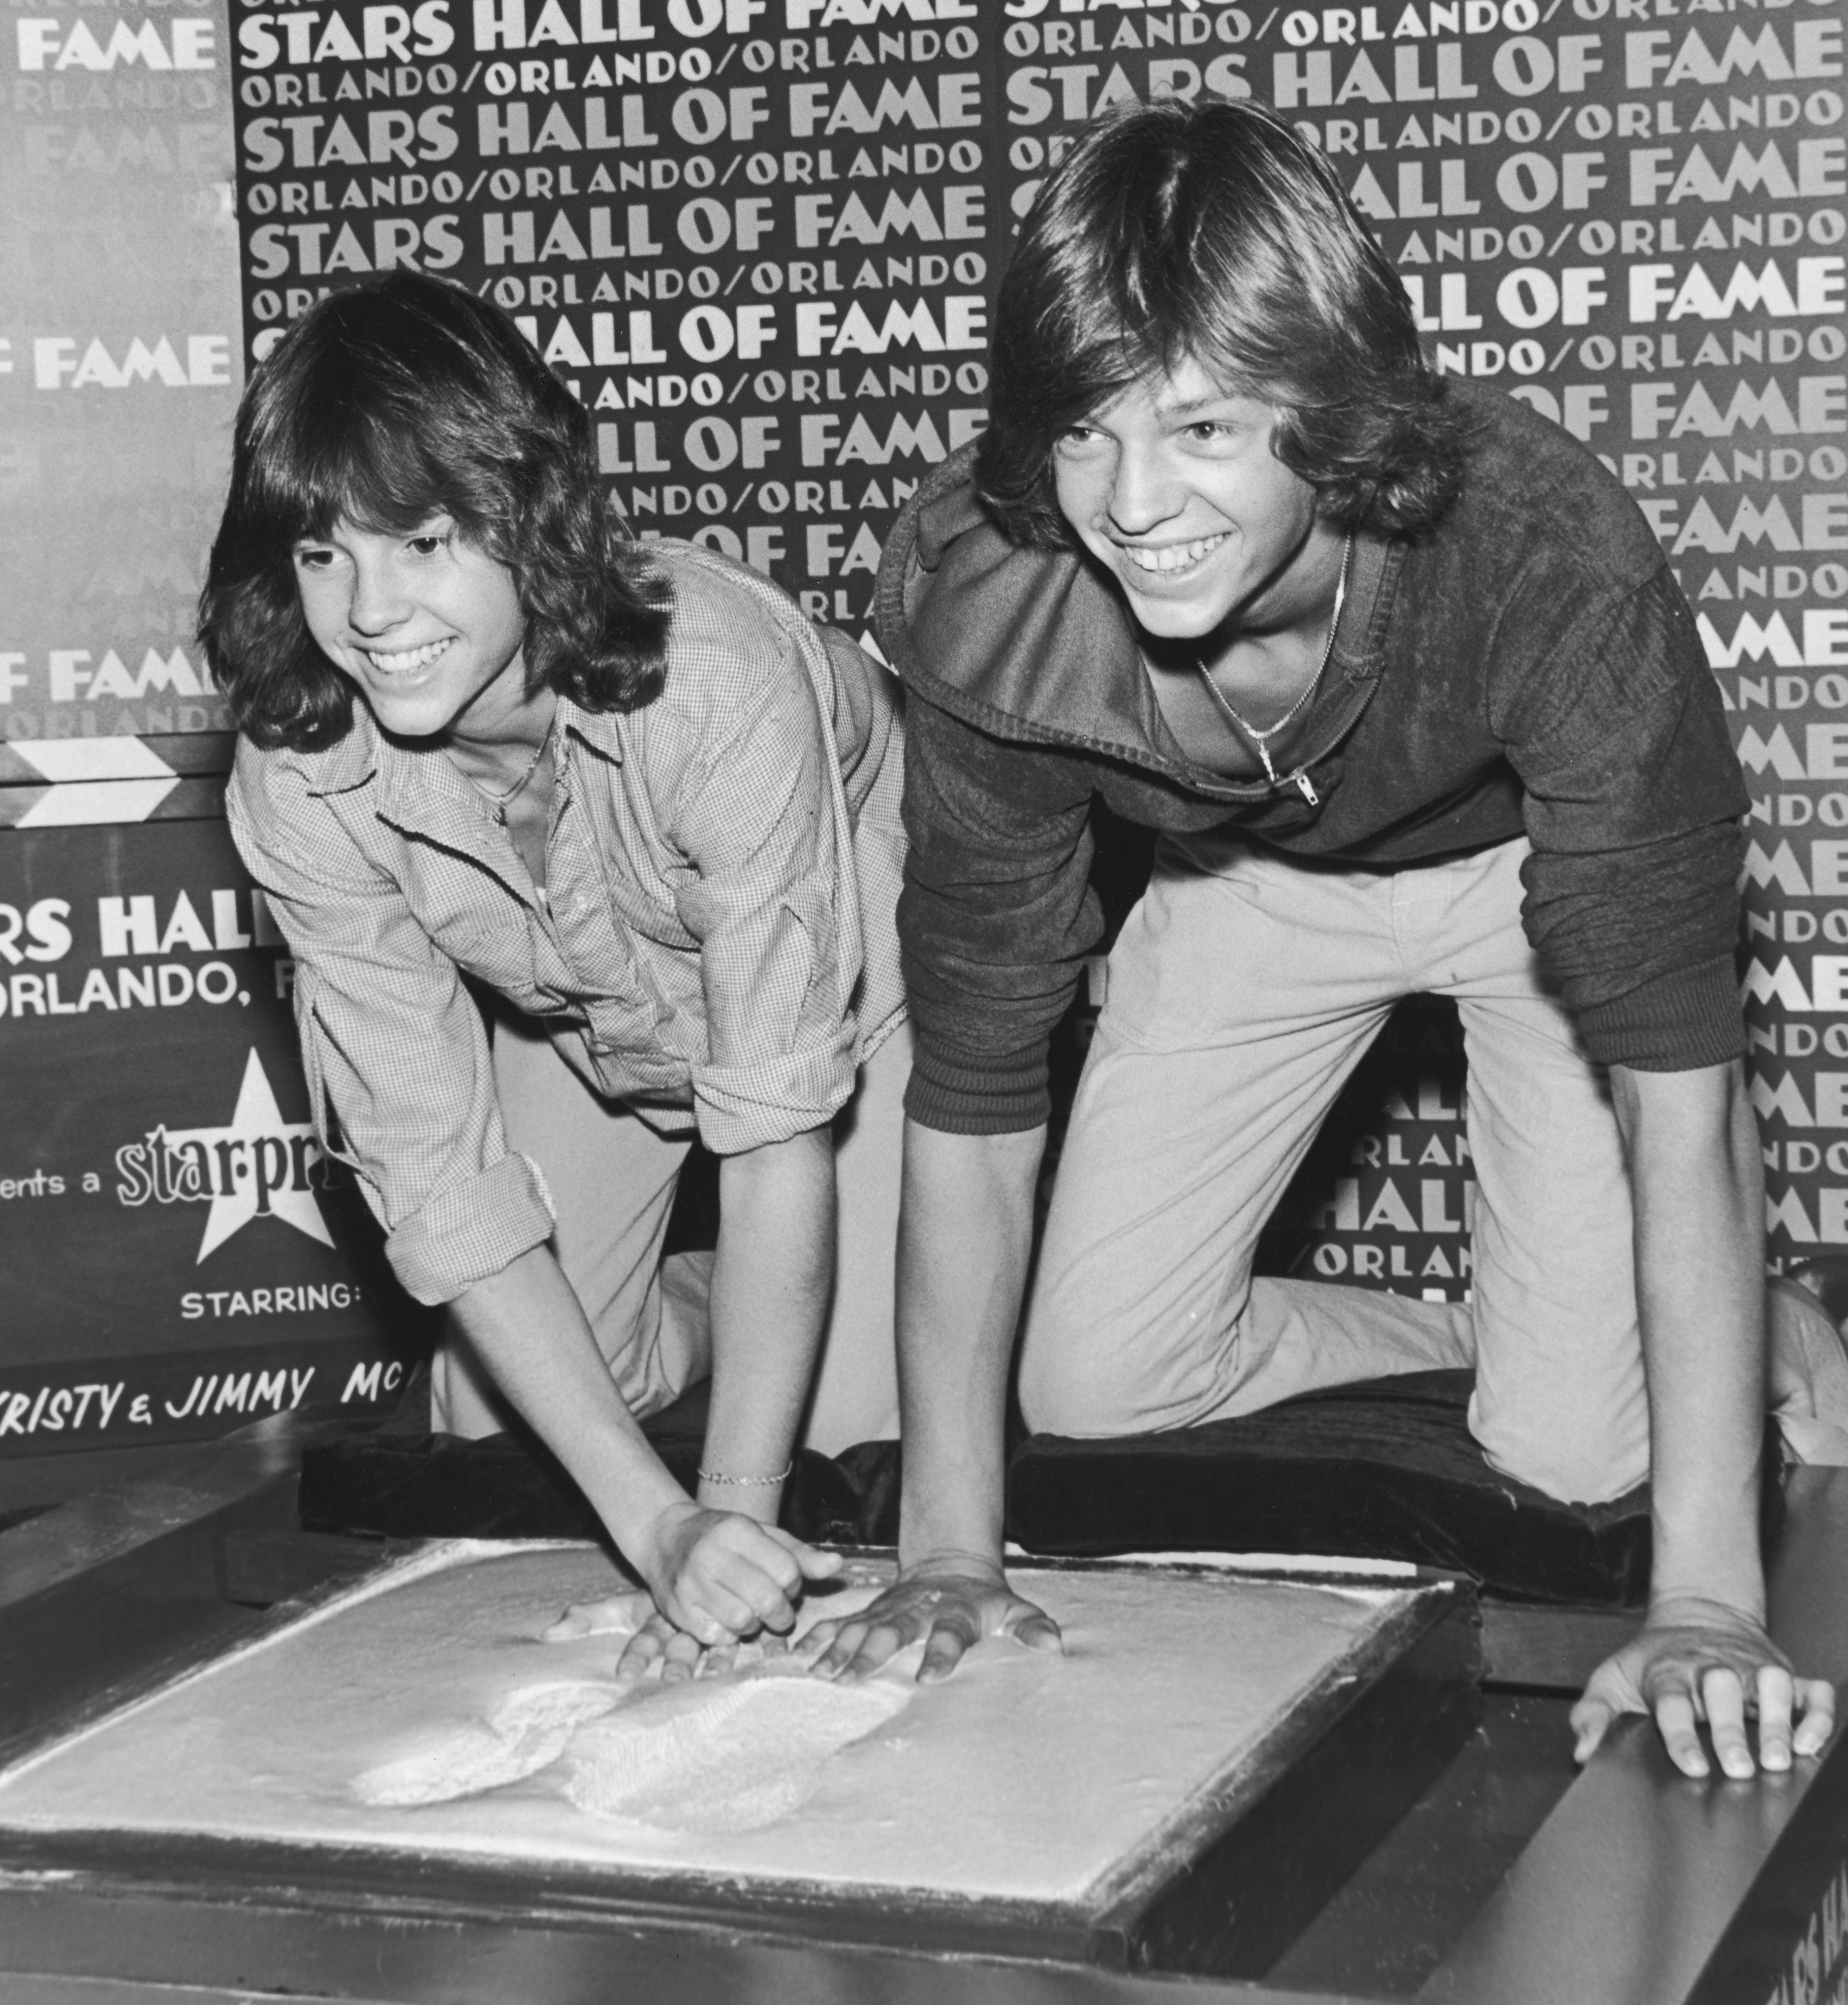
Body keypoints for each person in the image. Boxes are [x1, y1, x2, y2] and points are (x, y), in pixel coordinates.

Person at [809, 99, 1847, 1780]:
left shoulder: (1541, 556)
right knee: (1090, 1390)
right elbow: (975, 1088)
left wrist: (1709, 1608)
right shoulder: (986, 591)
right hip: (1240, 884)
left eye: (1205, 427)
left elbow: (1678, 1086)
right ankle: (1536, 1326)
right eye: (1085, 431)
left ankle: (1753, 1324)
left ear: (1329, 409)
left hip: (1519, 885)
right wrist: (945, 1555)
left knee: (1579, 1457)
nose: (1130, 501)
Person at [200, 271, 908, 1677]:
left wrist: (730, 1527)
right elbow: (442, 1186)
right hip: (597, 1015)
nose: (371, 609)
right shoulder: (296, 776)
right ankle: (713, 1304)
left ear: (531, 518)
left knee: (851, 1480)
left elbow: (776, 1137)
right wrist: (656, 1531)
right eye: (323, 554)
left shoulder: (716, 674)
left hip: (866, 980)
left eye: (424, 540)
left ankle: (918, 1289)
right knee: (503, 1419)